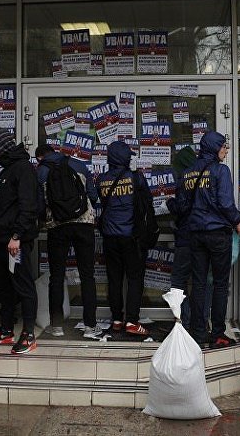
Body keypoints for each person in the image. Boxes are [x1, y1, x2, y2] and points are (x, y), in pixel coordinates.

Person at [177, 131, 240, 348]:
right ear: (214, 148)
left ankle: (198, 332)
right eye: (223, 147)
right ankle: (217, 333)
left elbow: (181, 206)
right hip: (217, 234)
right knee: (220, 284)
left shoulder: (187, 173)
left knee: (197, 284)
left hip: (195, 234)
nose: (226, 151)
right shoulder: (220, 170)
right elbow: (225, 202)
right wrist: (237, 221)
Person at [0, 129, 39, 354]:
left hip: (15, 241)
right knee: (5, 286)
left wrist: (17, 237)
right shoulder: (9, 171)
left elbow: (28, 207)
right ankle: (6, 330)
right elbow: (9, 205)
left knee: (23, 286)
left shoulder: (23, 169)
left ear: (2, 148)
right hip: (3, 239)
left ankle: (29, 334)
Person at [35, 144, 102, 340]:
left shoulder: (41, 171)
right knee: (87, 275)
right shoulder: (79, 165)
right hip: (83, 224)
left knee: (56, 276)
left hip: (57, 226)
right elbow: (93, 195)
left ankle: (56, 326)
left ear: (42, 157)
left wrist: (46, 217)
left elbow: (40, 205)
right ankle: (90, 325)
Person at [96, 140, 152, 336]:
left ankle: (117, 319)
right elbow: (147, 201)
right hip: (131, 237)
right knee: (135, 279)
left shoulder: (101, 179)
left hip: (110, 237)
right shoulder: (136, 177)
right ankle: (132, 321)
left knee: (114, 279)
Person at [167, 145, 212, 330]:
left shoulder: (184, 180)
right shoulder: (208, 180)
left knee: (179, 281)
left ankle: (183, 322)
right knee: (202, 281)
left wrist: (170, 203)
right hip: (204, 237)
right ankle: (201, 322)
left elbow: (182, 208)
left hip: (186, 238)